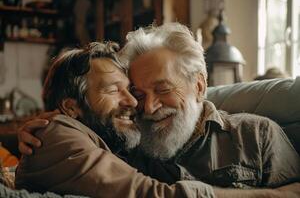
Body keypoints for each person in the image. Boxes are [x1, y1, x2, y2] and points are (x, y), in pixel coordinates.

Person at [18, 24, 300, 197]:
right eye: (139, 94)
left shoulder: (257, 137)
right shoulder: (124, 141)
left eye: (163, 90)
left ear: (199, 86)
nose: (147, 106)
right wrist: (53, 124)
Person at [15, 42, 215, 198]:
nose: (133, 101)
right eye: (113, 90)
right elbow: (154, 194)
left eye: (129, 90)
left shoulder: (115, 139)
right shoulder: (54, 134)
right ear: (70, 107)